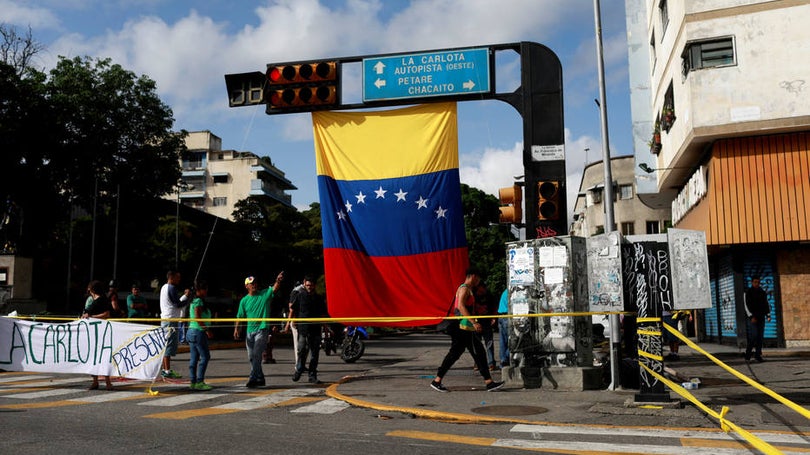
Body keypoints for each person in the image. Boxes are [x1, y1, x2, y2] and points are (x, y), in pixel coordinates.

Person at [430, 268, 504, 393]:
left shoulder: (466, 288)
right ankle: (489, 382)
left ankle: (437, 380)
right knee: (478, 353)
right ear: (474, 276)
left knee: (456, 354)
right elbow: (461, 306)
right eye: (479, 278)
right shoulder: (464, 288)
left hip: (464, 327)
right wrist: (473, 322)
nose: (479, 281)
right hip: (464, 327)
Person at [233, 272, 284, 388]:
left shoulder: (264, 294)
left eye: (255, 283)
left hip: (262, 330)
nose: (254, 285)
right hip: (249, 332)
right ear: (247, 286)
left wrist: (278, 280)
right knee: (251, 357)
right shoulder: (244, 301)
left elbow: (274, 289)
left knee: (256, 355)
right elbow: (239, 317)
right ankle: (260, 377)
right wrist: (237, 329)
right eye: (251, 284)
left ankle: (253, 378)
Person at [291, 276, 327, 384]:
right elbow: (293, 310)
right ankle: (299, 368)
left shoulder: (319, 298)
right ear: (304, 284)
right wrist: (291, 322)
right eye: (307, 285)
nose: (309, 287)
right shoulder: (300, 296)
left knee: (314, 353)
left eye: (311, 285)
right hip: (303, 329)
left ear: (314, 286)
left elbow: (322, 314)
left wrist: (326, 327)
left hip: (315, 329)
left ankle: (312, 375)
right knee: (301, 350)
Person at [82, 280, 113, 390]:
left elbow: (106, 314)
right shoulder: (93, 300)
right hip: (92, 332)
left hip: (100, 332)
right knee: (93, 358)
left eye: (89, 289)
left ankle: (108, 382)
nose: (88, 290)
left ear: (93, 289)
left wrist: (91, 317)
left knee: (103, 357)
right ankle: (95, 381)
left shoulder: (102, 300)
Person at [159, 270, 190, 379]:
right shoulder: (171, 288)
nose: (179, 279)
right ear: (171, 277)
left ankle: (165, 369)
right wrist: (186, 297)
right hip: (170, 320)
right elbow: (178, 304)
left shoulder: (163, 287)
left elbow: (173, 303)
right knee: (169, 345)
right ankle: (167, 370)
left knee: (166, 344)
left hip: (166, 319)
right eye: (178, 277)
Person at [187, 280, 213, 391]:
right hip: (198, 332)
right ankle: (200, 381)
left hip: (191, 331)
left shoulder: (193, 301)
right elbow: (198, 318)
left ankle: (193, 382)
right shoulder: (198, 302)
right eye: (205, 289)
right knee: (205, 357)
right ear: (199, 290)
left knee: (194, 358)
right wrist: (206, 330)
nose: (206, 291)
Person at [744, 277, 771, 362]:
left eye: (758, 282)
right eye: (755, 282)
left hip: (761, 317)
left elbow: (765, 303)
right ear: (752, 282)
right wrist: (751, 316)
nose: (757, 284)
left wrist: (768, 314)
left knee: (760, 337)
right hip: (753, 318)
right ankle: (748, 354)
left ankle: (758, 355)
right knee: (754, 336)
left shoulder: (762, 292)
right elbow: (746, 305)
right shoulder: (748, 292)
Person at [473, 282, 497, 371]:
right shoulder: (473, 296)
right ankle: (478, 363)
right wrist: (473, 322)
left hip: (487, 322)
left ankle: (491, 363)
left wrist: (494, 317)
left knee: (489, 343)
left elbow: (495, 307)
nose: (483, 290)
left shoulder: (489, 296)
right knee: (477, 344)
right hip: (477, 322)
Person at [283, 281, 306, 367]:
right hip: (297, 321)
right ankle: (298, 365)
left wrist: (287, 324)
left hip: (300, 321)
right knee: (299, 345)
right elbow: (292, 309)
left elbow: (291, 309)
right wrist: (289, 323)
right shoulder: (297, 292)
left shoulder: (297, 292)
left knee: (301, 345)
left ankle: (300, 364)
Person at [497, 288, 511, 369]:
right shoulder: (512, 291)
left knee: (503, 341)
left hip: (501, 316)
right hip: (507, 316)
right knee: (511, 340)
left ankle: (503, 360)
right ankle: (505, 358)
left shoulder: (505, 291)